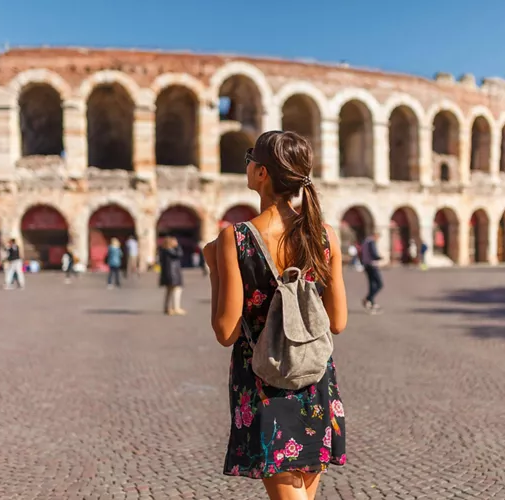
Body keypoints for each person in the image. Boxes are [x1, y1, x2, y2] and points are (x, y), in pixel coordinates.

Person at [203, 131, 348, 499]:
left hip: (264, 382)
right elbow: (338, 322)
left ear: (263, 173)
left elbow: (225, 332)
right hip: (314, 377)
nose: (247, 164)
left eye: (250, 157)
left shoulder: (236, 238)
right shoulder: (324, 235)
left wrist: (215, 271)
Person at [158, 236, 185, 315]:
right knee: (177, 290)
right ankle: (176, 308)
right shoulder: (170, 250)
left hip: (167, 274)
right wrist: (178, 246)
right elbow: (179, 254)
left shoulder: (163, 250)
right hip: (173, 274)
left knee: (169, 291)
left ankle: (167, 307)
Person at [359, 231, 384, 313]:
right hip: (372, 265)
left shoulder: (365, 241)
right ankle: (368, 298)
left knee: (371, 284)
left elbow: (361, 253)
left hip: (366, 265)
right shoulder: (371, 242)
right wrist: (380, 258)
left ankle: (371, 302)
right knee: (380, 284)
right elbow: (374, 254)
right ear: (375, 235)